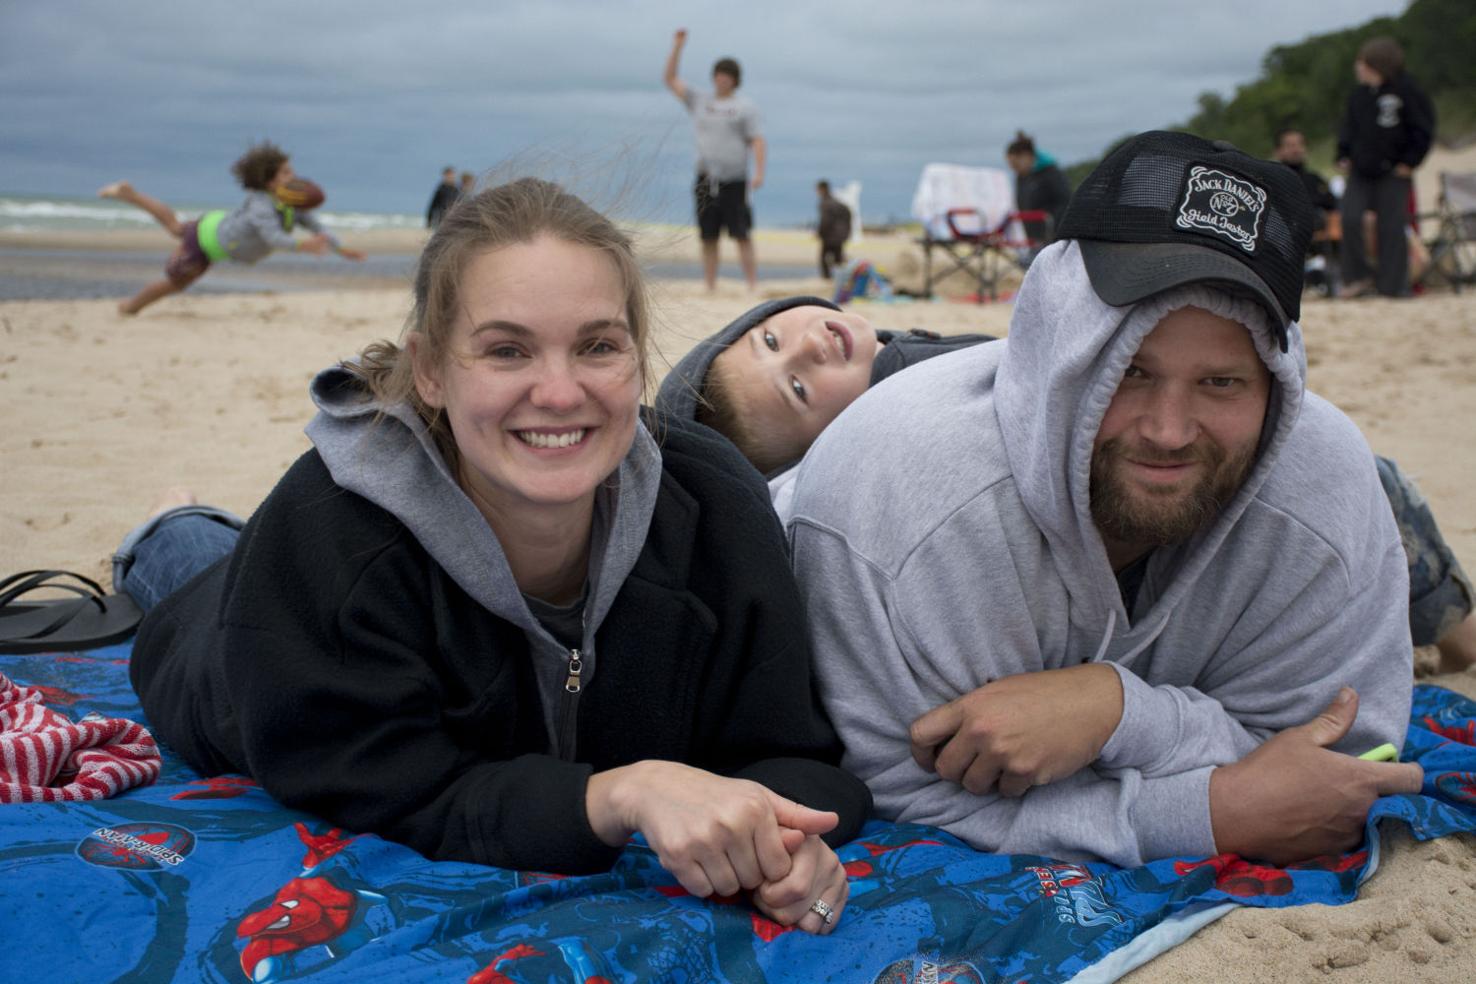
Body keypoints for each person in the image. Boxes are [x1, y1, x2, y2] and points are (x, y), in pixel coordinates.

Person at [121, 177, 870, 934]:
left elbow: (798, 753)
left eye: (597, 346)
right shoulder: (330, 529)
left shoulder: (714, 509)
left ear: (638, 361)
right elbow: (389, 785)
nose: (558, 391)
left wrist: (782, 839)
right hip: (218, 650)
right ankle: (168, 521)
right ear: (431, 371)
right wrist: (617, 794)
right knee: (188, 556)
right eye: (507, 350)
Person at [785, 131, 1426, 869]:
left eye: (1221, 383)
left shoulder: (1324, 490)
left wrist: (1115, 711)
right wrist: (1210, 812)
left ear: (1276, 385)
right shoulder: (899, 503)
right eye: (1128, 372)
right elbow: (903, 793)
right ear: (1065, 348)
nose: (1168, 430)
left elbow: (1337, 768)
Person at [654, 295, 1475, 667]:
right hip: (1223, 505)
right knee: (1381, 520)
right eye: (797, 393)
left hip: (1257, 492)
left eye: (768, 339)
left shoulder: (912, 344)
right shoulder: (895, 441)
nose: (804, 349)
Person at [98, 142, 365, 315]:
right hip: (206, 244)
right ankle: (130, 307)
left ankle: (130, 194)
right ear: (268, 181)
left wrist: (342, 249)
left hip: (214, 227)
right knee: (177, 281)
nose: (292, 177)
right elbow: (272, 237)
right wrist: (303, 246)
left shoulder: (292, 205)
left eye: (291, 172)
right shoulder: (262, 205)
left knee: (175, 226)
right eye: (285, 173)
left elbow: (317, 227)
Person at [663, 28, 765, 292]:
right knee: (708, 235)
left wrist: (759, 173)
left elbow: (757, 139)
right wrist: (678, 46)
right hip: (705, 177)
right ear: (714, 77)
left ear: (735, 80)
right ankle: (710, 285)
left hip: (735, 179)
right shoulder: (699, 100)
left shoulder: (745, 106)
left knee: (742, 234)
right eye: (719, 75)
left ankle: (752, 284)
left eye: (727, 76)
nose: (722, 80)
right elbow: (670, 79)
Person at [1336, 37, 1435, 298]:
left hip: (1393, 171)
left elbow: (1423, 128)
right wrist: (1343, 154)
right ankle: (1357, 279)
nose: (1357, 67)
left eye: (1362, 62)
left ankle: (1393, 287)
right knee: (1350, 218)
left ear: (1375, 63)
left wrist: (1410, 162)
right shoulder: (1358, 96)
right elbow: (1348, 130)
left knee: (1392, 227)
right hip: (1360, 171)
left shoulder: (1407, 90)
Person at [1005, 131, 1072, 254]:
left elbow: (1065, 203)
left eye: (1015, 164)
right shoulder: (1021, 177)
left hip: (1052, 239)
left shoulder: (1052, 173)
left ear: (1027, 156)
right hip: (1031, 239)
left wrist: (1054, 233)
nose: (1014, 169)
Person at [816, 181, 852, 280]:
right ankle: (840, 278)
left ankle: (827, 277)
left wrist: (820, 232)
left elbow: (825, 220)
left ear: (821, 189)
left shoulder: (825, 203)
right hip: (840, 235)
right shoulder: (838, 203)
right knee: (838, 257)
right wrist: (847, 232)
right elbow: (848, 215)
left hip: (829, 235)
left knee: (824, 257)